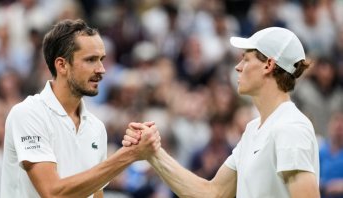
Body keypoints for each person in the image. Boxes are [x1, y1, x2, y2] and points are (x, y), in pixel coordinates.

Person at [123, 27, 320, 197]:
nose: (238, 67)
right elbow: (212, 193)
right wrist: (153, 153)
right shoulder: (253, 129)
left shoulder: (290, 128)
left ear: (268, 65)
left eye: (246, 59)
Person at [0, 19, 160, 198]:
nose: (101, 69)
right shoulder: (27, 114)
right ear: (62, 65)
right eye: (91, 60)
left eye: (101, 60)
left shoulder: (96, 127)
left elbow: (95, 192)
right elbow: (53, 193)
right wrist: (127, 156)